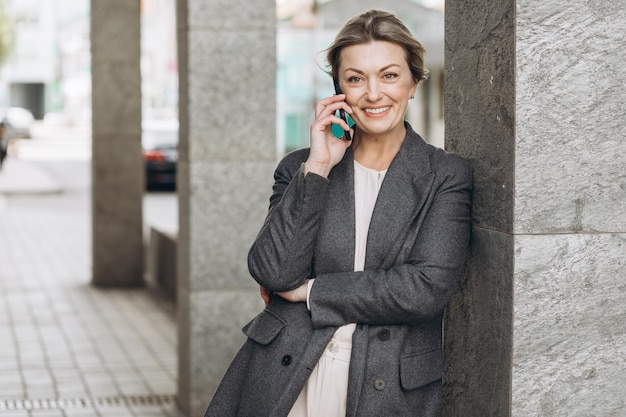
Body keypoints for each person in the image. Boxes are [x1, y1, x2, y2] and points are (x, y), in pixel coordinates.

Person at [203, 9, 472, 417]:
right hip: (288, 373)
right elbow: (274, 272)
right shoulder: (301, 167)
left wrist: (311, 291)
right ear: (339, 90)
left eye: (389, 75)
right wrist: (319, 168)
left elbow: (424, 289)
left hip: (389, 385)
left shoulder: (445, 175)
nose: (374, 93)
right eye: (355, 78)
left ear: (414, 82)